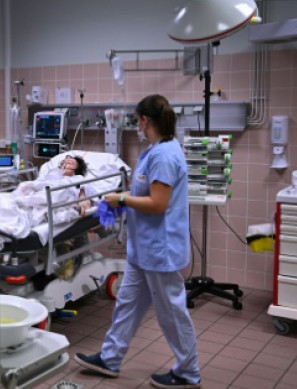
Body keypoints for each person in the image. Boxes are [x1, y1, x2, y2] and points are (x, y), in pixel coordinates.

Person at [73, 94, 201, 389]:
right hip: (143, 249)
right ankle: (110, 358)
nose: (137, 126)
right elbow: (143, 195)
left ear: (145, 120)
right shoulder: (153, 151)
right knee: (127, 305)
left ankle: (188, 372)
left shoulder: (165, 155)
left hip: (160, 250)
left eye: (138, 121)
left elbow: (157, 204)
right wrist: (120, 203)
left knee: (171, 312)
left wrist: (121, 198)